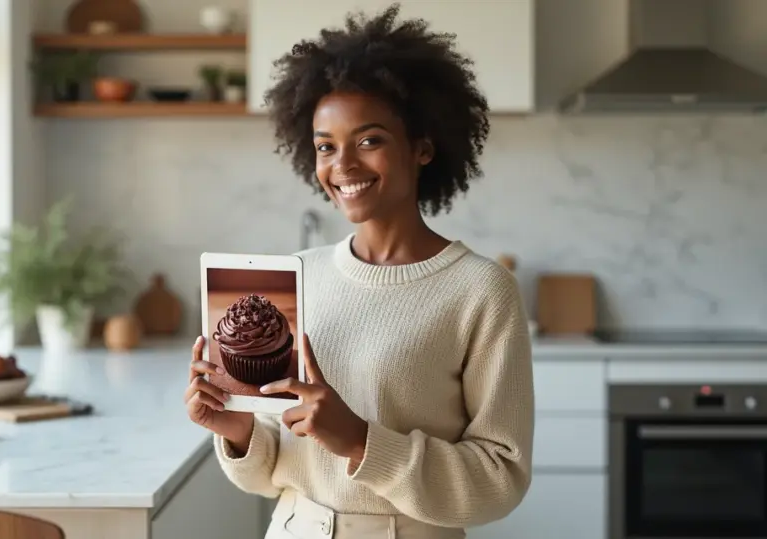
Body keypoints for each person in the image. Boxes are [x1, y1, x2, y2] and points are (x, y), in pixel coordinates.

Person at [184, 4, 535, 538]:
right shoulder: (301, 274)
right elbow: (279, 470)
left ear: (422, 147)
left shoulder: (481, 291)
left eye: (368, 140)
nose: (342, 166)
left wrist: (361, 442)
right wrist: (236, 430)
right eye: (326, 147)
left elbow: (499, 479)